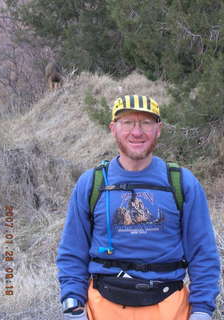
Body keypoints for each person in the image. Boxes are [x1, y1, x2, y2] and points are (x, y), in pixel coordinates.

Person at [56, 95, 220, 320]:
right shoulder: (91, 183)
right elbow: (72, 251)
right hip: (102, 306)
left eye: (146, 123)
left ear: (158, 129)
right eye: (127, 122)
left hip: (170, 306)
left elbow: (203, 253)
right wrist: (73, 306)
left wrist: (201, 310)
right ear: (113, 128)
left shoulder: (182, 183)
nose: (137, 132)